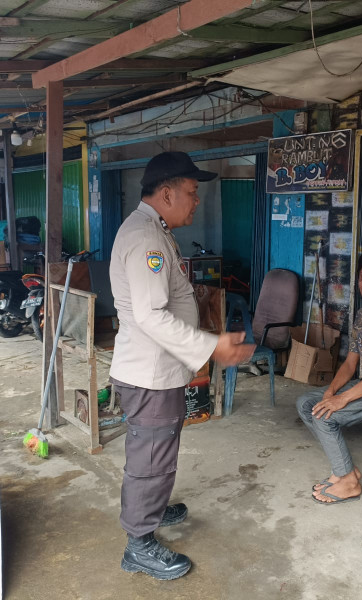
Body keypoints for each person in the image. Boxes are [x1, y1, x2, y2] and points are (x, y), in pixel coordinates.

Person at [109, 151, 255, 581]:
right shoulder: (147, 238)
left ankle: (150, 508)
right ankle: (139, 544)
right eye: (192, 192)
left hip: (156, 370)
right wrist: (212, 347)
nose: (196, 201)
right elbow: (151, 315)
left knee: (156, 451)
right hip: (149, 374)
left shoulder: (155, 230)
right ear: (167, 193)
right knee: (151, 458)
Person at [296, 252, 362, 504]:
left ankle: (349, 482)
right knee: (306, 404)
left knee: (324, 417)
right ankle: (347, 470)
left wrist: (342, 399)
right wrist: (331, 391)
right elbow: (351, 362)